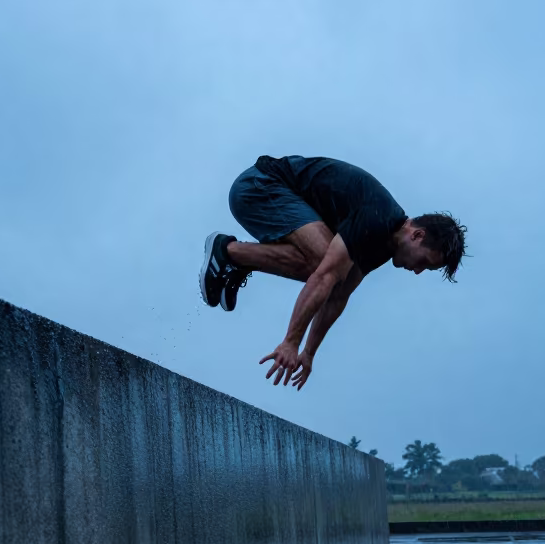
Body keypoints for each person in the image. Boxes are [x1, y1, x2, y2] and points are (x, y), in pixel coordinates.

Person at [199, 154, 468, 390]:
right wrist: (290, 342)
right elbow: (324, 276)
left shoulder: (382, 246)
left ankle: (235, 259)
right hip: (258, 187)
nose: (418, 271)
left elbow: (339, 294)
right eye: (425, 262)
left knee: (332, 271)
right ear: (417, 235)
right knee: (323, 265)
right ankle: (229, 252)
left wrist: (309, 352)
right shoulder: (377, 218)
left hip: (269, 194)